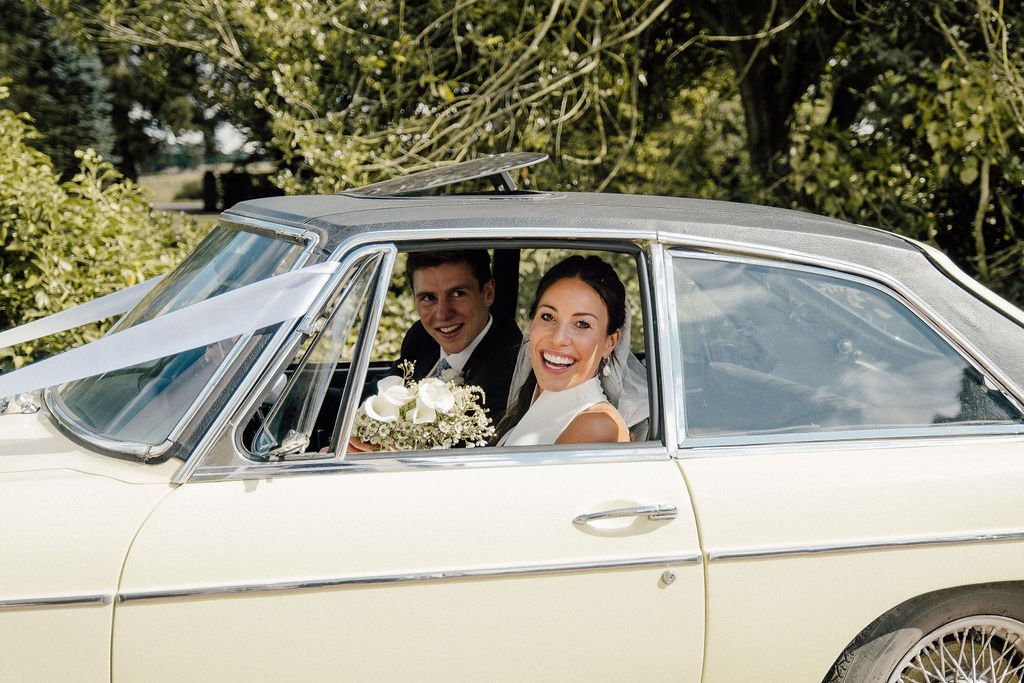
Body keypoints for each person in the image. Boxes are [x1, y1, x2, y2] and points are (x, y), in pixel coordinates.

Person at [494, 255, 647, 446]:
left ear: (611, 342)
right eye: (548, 316)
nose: (558, 339)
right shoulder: (533, 400)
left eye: (582, 324)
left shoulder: (598, 426)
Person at [394, 249, 522, 419]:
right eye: (428, 298)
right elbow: (390, 385)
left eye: (457, 294)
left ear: (488, 293)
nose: (442, 314)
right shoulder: (420, 337)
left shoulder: (512, 374)